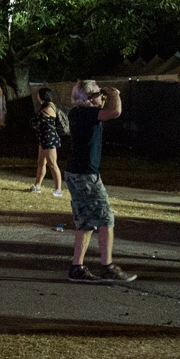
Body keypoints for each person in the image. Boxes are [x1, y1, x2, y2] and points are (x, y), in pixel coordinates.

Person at [65, 80, 135, 283]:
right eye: (98, 94)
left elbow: (105, 111)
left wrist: (101, 96)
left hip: (76, 172)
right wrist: (114, 93)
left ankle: (77, 268)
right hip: (86, 175)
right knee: (106, 219)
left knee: (85, 222)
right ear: (88, 98)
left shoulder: (77, 113)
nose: (102, 98)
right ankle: (108, 267)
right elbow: (115, 112)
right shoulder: (86, 113)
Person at [30, 87, 64, 196]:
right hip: (44, 139)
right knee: (41, 162)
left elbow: (36, 122)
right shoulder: (46, 106)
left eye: (38, 94)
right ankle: (37, 186)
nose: (37, 96)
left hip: (49, 139)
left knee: (52, 164)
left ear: (42, 96)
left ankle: (58, 190)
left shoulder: (48, 108)